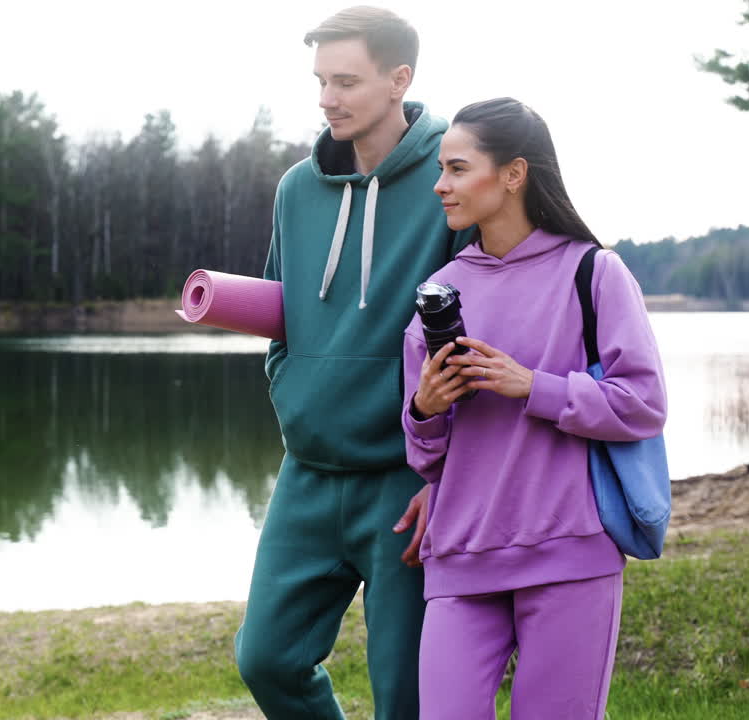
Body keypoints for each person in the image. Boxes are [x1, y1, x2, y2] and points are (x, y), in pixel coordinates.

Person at [233, 7, 471, 720]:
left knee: (405, 691)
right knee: (266, 659)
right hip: (306, 472)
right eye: (320, 81)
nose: (326, 99)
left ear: (400, 79)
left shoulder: (451, 180)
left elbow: (475, 332)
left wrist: (449, 473)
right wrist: (291, 390)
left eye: (345, 81)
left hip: (405, 478)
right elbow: (281, 317)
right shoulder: (296, 190)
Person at [402, 97, 667, 720]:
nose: (442, 185)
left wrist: (534, 386)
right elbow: (424, 456)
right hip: (460, 558)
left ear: (514, 173)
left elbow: (643, 404)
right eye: (441, 170)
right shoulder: (440, 294)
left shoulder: (594, 273)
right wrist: (425, 407)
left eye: (459, 168)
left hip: (570, 555)